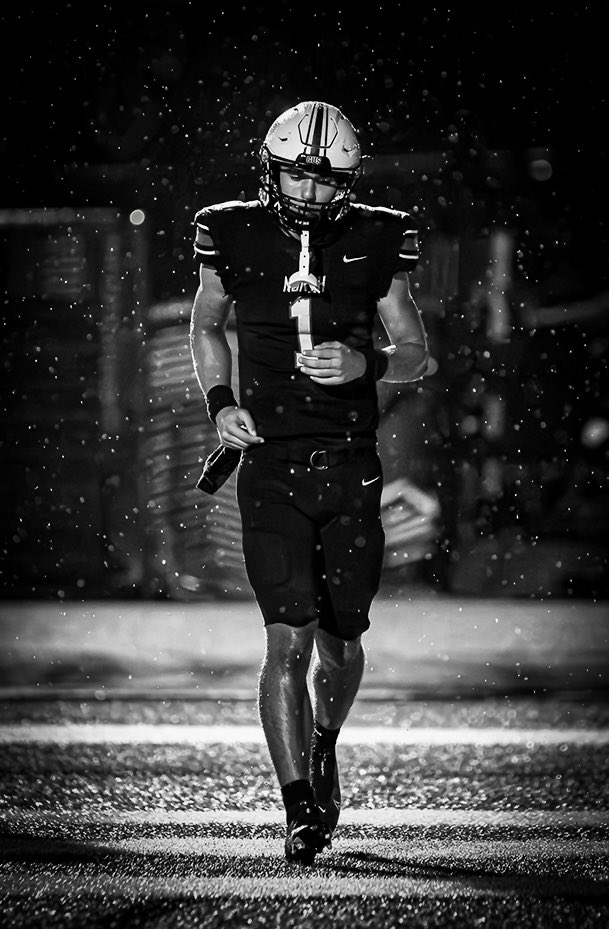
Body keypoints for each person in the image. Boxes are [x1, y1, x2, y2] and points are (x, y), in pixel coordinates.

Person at [190, 100, 429, 864]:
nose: (310, 194)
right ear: (269, 168)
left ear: (350, 182)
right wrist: (220, 404)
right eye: (297, 175)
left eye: (326, 182)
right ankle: (297, 807)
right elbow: (205, 322)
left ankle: (324, 742)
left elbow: (417, 348)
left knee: (342, 641)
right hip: (270, 468)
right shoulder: (228, 228)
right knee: (285, 640)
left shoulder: (380, 232)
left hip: (350, 466)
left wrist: (370, 364)